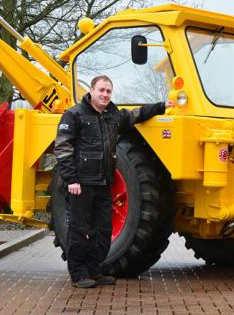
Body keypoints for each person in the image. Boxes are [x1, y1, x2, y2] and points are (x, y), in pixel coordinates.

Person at [54, 75, 173, 288]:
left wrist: (162, 106)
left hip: (103, 183)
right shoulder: (74, 115)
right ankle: (78, 274)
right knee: (79, 230)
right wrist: (71, 179)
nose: (105, 94)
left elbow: (136, 114)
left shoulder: (112, 116)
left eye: (108, 91)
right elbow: (63, 148)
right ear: (91, 91)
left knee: (103, 231)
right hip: (81, 184)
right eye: (101, 90)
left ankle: (94, 270)